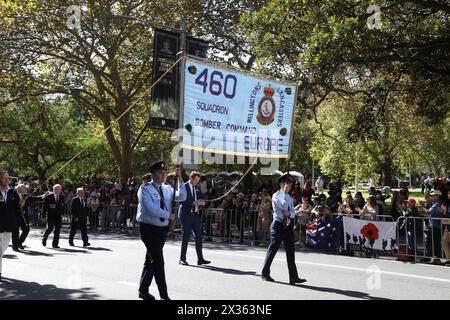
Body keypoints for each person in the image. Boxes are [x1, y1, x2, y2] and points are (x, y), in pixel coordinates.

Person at [136, 161, 186, 300]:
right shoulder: (145, 188)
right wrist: (168, 215)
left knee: (150, 260)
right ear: (153, 174)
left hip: (162, 230)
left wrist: (180, 178)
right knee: (158, 261)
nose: (163, 175)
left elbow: (182, 196)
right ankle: (164, 295)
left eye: (165, 172)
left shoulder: (168, 188)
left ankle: (143, 290)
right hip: (148, 229)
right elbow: (151, 209)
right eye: (160, 172)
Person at [261, 174, 306, 285]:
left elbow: (291, 213)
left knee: (291, 252)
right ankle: (265, 273)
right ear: (281, 184)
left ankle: (293, 277)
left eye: (290, 184)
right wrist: (284, 193)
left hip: (288, 227)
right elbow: (284, 206)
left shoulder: (290, 197)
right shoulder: (276, 196)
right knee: (272, 251)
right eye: (287, 183)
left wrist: (289, 212)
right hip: (278, 226)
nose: (289, 186)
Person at [178, 171, 210, 266]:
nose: (197, 182)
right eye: (196, 180)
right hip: (186, 215)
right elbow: (181, 201)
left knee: (199, 237)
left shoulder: (197, 188)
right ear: (191, 178)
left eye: (198, 180)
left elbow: (202, 198)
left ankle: (200, 259)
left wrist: (203, 202)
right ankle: (182, 258)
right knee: (186, 237)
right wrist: (194, 202)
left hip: (196, 216)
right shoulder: (184, 186)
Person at [0, 170, 21, 280]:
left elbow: (17, 207)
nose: (7, 180)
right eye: (4, 178)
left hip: (9, 225)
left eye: (8, 178)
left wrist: (21, 204)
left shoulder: (13, 192)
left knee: (4, 248)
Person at [42, 184, 65, 248]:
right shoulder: (49, 197)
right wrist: (43, 216)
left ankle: (55, 244)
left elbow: (62, 206)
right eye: (56, 189)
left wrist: (62, 214)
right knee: (50, 228)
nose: (58, 190)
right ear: (53, 189)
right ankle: (45, 237)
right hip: (50, 215)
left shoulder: (62, 197)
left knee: (57, 230)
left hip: (58, 216)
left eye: (59, 189)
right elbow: (44, 207)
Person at [11, 184, 33, 250]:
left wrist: (43, 196)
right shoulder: (13, 195)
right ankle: (15, 246)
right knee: (15, 232)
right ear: (19, 189)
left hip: (24, 217)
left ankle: (19, 242)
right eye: (24, 188)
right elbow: (12, 206)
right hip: (15, 216)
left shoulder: (25, 196)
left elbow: (34, 198)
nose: (25, 190)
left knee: (26, 229)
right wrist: (19, 205)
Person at [424, 190, 443, 263]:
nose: (431, 196)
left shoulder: (438, 204)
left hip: (436, 226)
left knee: (436, 243)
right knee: (431, 242)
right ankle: (432, 257)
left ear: (437, 196)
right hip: (432, 225)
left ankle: (437, 258)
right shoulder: (433, 203)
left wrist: (422, 207)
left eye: (433, 195)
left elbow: (430, 212)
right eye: (431, 195)